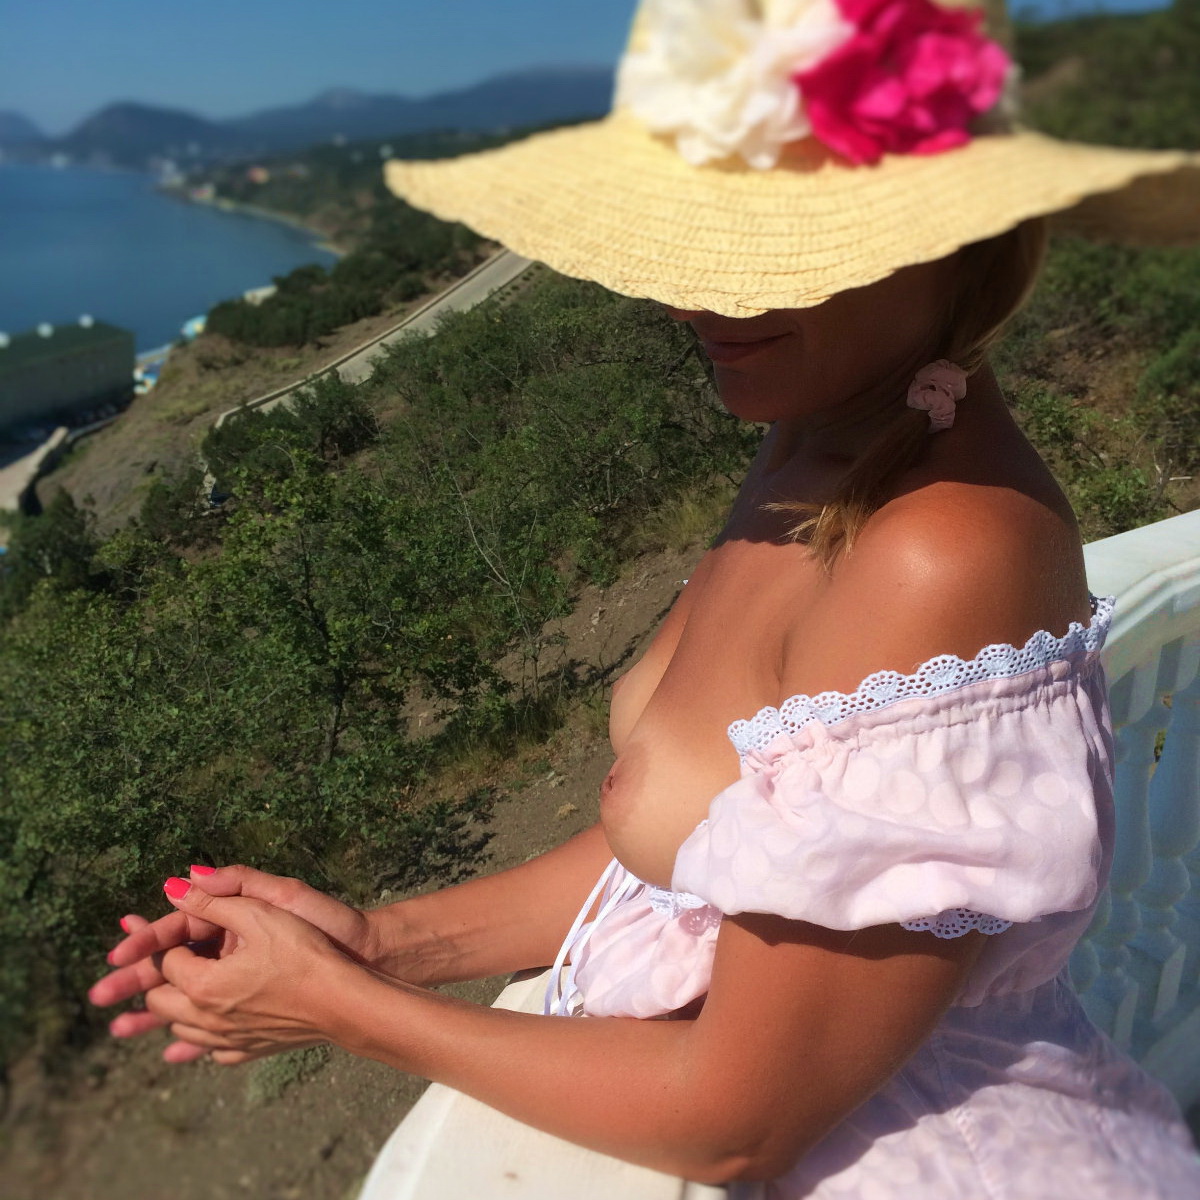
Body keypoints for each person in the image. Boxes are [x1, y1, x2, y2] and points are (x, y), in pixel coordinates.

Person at [90, 1, 1200, 1194]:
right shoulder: (821, 438)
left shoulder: (939, 552)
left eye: (773, 240)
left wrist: (342, 1008)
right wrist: (380, 940)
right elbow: (701, 845)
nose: (692, 298)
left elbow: (738, 1117)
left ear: (960, 233)